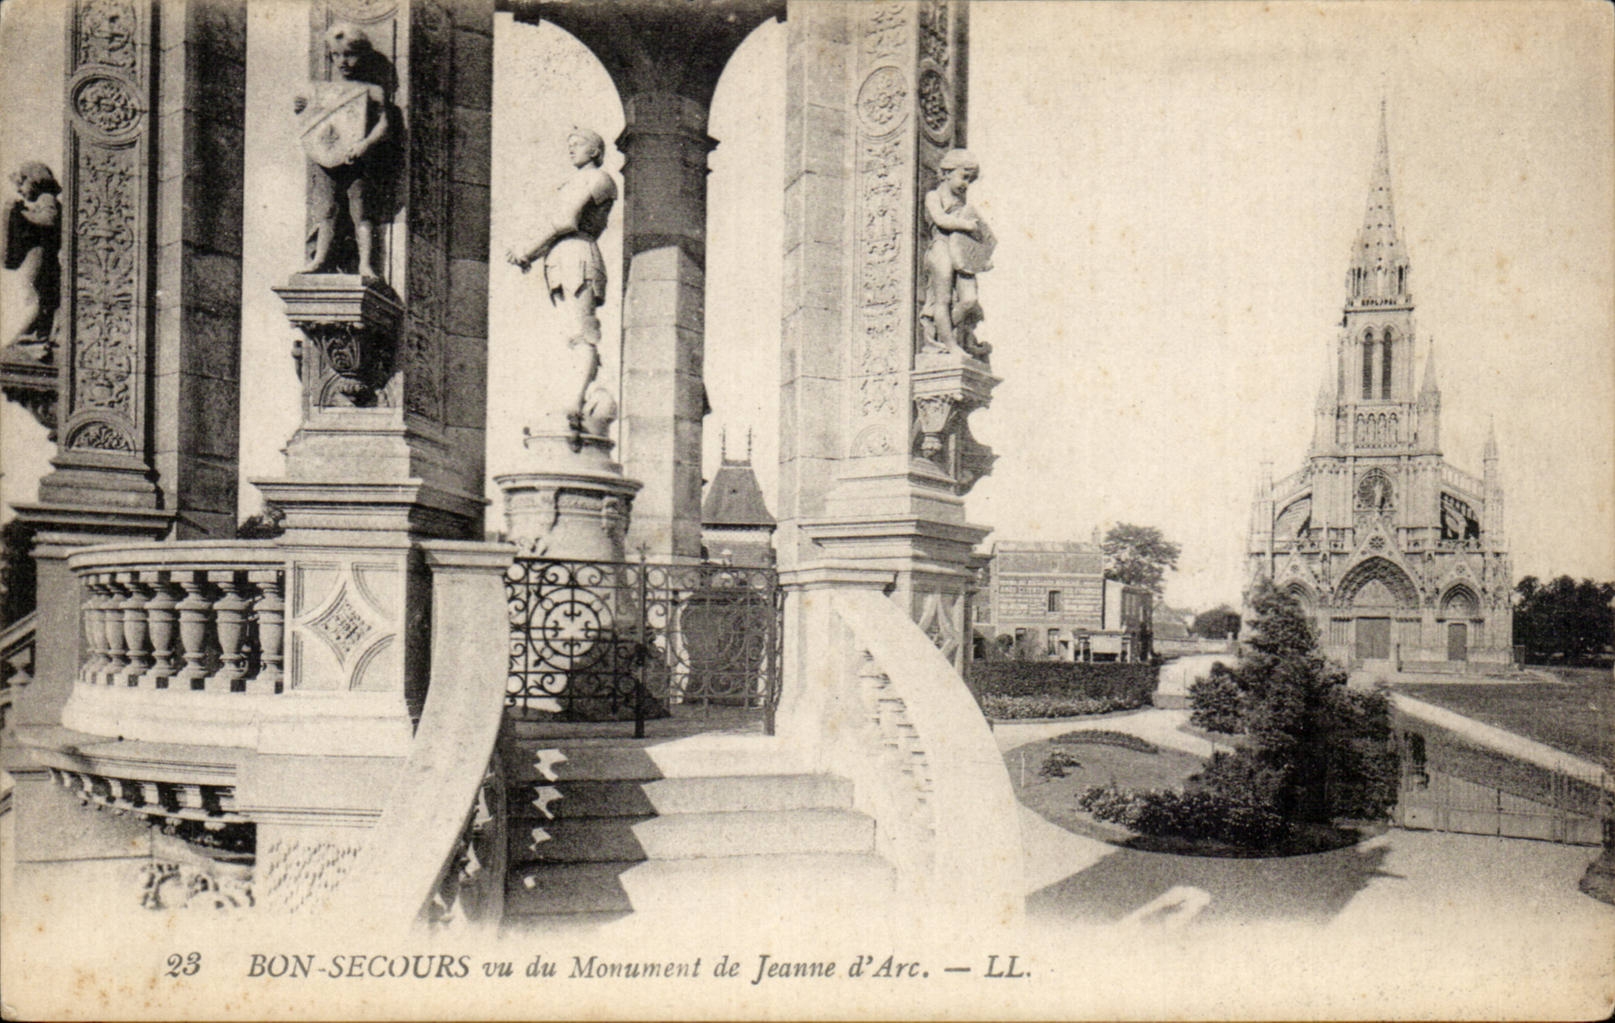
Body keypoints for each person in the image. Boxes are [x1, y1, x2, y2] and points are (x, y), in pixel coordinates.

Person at [506, 128, 619, 434]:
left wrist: (527, 250)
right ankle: (571, 398)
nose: (572, 149)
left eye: (578, 144)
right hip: (560, 258)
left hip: (579, 254)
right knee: (567, 335)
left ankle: (576, 400)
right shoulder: (574, 180)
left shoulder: (599, 179)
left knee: (582, 332)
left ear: (595, 150)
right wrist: (529, 255)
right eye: (569, 144)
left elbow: (565, 220)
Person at [294, 23, 391, 280]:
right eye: (336, 55)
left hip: (357, 161)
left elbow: (384, 125)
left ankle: (365, 264)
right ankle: (320, 259)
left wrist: (365, 144)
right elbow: (310, 123)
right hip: (326, 159)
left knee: (361, 210)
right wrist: (302, 109)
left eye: (349, 54)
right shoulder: (320, 91)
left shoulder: (373, 90)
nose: (343, 61)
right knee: (326, 209)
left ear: (362, 55)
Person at [920, 149, 994, 357]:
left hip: (961, 253)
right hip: (941, 247)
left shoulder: (963, 204)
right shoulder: (934, 196)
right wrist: (966, 225)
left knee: (969, 300)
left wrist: (982, 258)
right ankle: (950, 344)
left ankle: (939, 332)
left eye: (970, 180)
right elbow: (941, 219)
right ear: (947, 172)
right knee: (942, 299)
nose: (965, 184)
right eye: (964, 177)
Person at [3, 161, 62, 354]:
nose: (20, 190)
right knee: (36, 296)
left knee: (31, 295)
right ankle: (36, 334)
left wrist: (22, 214)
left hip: (40, 255)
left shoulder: (46, 198)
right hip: (37, 254)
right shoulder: (43, 200)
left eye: (22, 184)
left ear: (35, 180)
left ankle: (28, 334)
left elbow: (49, 220)